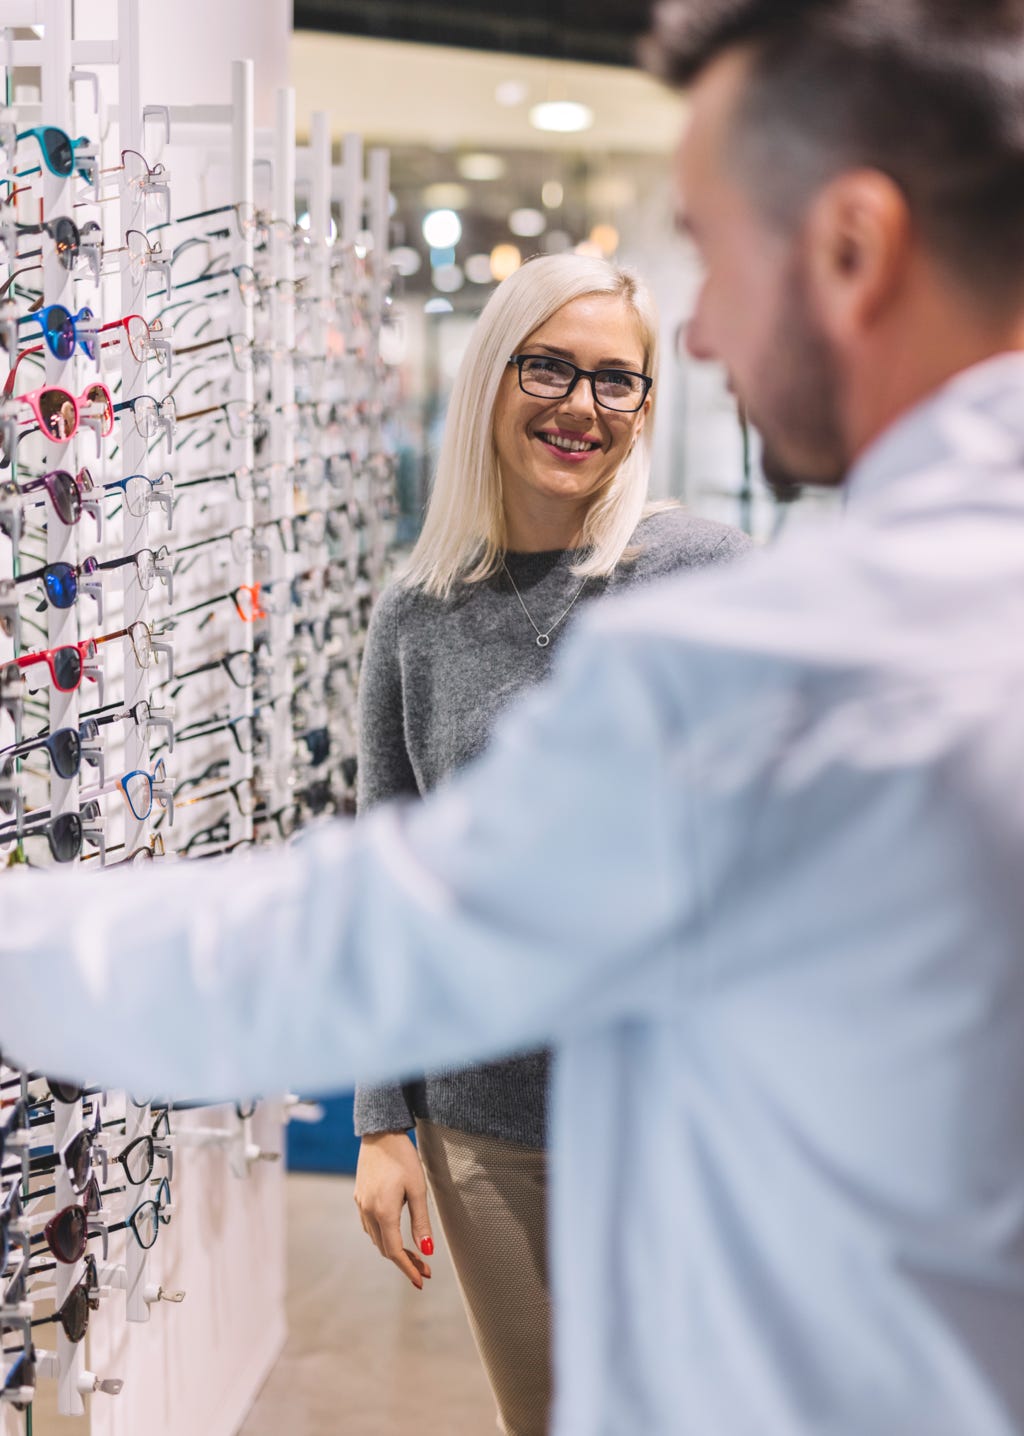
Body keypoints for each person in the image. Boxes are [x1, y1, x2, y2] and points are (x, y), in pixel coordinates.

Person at [3, 2, 1024, 1433]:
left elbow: (347, 944)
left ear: (852, 250)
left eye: (711, 253)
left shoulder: (773, 657)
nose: (710, 333)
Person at [352, 251, 749, 1436]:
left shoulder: (701, 576)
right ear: (492, 376)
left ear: (644, 405)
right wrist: (380, 1120)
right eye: (551, 369)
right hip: (486, 1126)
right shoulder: (417, 615)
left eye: (616, 382)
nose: (581, 407)